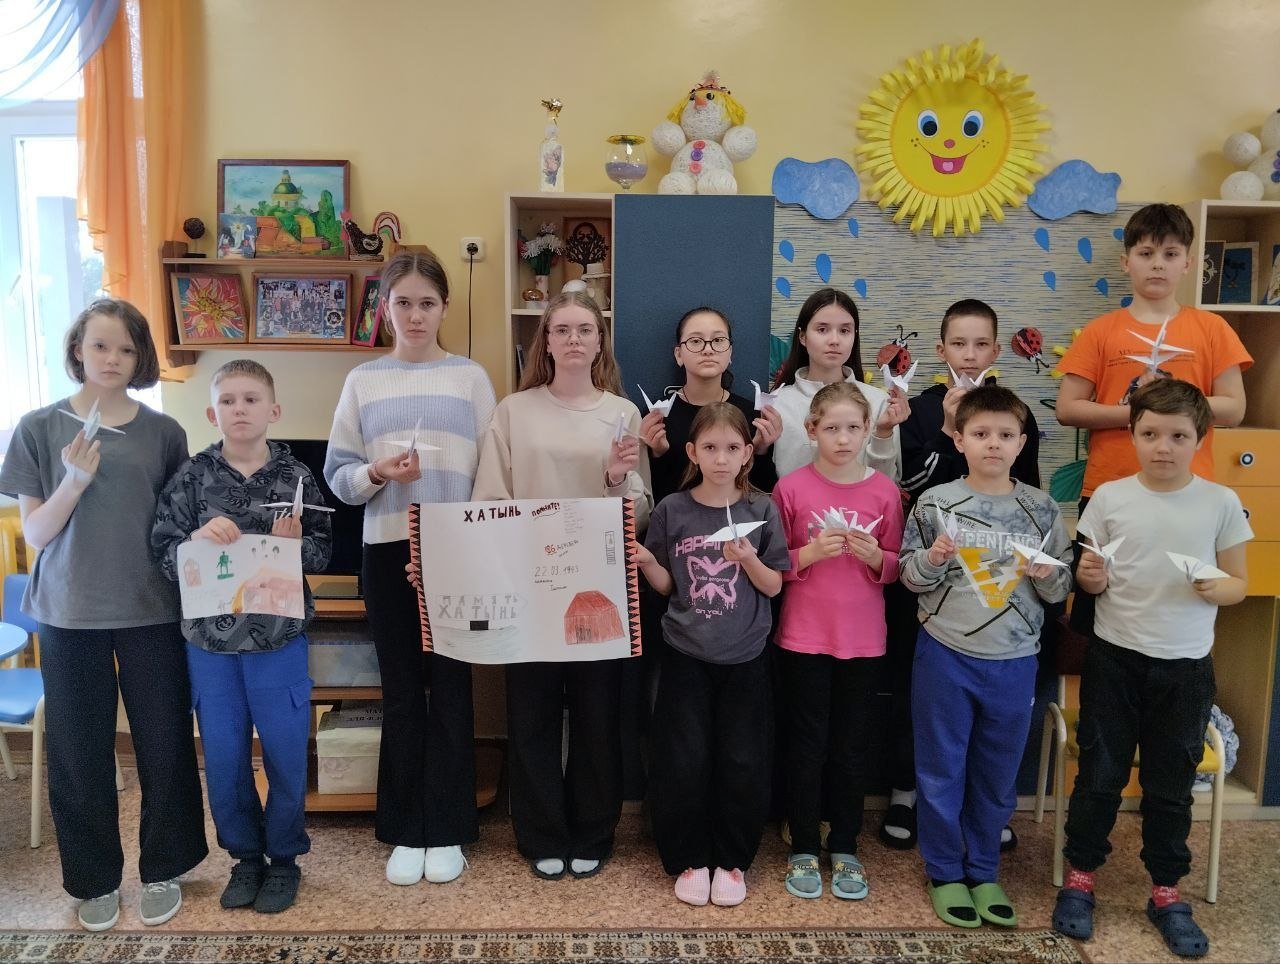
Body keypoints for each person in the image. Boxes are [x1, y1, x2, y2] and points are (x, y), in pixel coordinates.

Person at [0, 298, 207, 931]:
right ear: (77, 350)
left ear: (140, 356)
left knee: (165, 743)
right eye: (99, 346)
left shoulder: (164, 433)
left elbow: (180, 526)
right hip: (68, 614)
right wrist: (73, 481)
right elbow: (37, 533)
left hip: (151, 609)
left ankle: (164, 867)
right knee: (77, 752)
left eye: (125, 348)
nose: (112, 358)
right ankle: (94, 880)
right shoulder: (38, 428)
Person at [1052, 380, 1251, 959]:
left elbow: (1240, 583)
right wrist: (1088, 578)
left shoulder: (1220, 502)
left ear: (1200, 439)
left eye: (1178, 436)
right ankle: (1080, 878)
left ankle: (1166, 891)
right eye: (1150, 434)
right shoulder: (1109, 498)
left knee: (1171, 785)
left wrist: (1220, 587)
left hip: (1186, 669)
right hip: (1114, 659)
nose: (1163, 447)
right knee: (1099, 775)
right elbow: (1089, 578)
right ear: (1132, 434)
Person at [325, 249, 496, 887]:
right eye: (404, 303)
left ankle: (447, 827)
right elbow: (339, 477)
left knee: (451, 687)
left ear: (445, 307)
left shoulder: (471, 378)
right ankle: (404, 828)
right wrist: (376, 471)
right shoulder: (363, 380)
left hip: (457, 548)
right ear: (386, 308)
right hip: (387, 547)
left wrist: (474, 543)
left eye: (427, 303)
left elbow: (492, 472)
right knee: (400, 689)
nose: (416, 315)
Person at [472, 291, 650, 882]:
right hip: (531, 585)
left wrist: (616, 479)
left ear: (600, 342)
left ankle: (594, 830)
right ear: (545, 342)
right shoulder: (513, 412)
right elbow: (490, 499)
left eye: (585, 330)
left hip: (601, 587)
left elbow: (640, 511)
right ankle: (542, 832)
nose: (574, 339)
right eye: (562, 329)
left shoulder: (623, 413)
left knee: (599, 715)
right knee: (532, 713)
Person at [151, 360, 331, 914]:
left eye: (251, 399)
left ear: (273, 410)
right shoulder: (191, 477)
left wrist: (296, 545)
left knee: (284, 755)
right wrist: (197, 540)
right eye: (227, 401)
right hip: (211, 647)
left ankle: (284, 858)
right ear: (212, 414)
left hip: (279, 641)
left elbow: (321, 553)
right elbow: (163, 554)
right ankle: (245, 857)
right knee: (226, 758)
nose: (240, 409)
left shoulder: (296, 477)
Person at [899, 385, 1071, 930]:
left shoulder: (1041, 508)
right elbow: (909, 577)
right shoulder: (935, 503)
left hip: (1015, 659)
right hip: (944, 653)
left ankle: (983, 869)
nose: (992, 444)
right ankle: (945, 871)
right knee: (940, 768)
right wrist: (933, 558)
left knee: (997, 772)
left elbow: (1060, 587)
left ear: (1021, 443)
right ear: (959, 440)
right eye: (980, 434)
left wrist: (1047, 575)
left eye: (1004, 435)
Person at [882, 299, 1041, 851]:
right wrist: (948, 428)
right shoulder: (921, 408)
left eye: (979, 345)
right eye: (958, 344)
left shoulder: (1014, 412)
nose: (969, 355)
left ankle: (982, 805)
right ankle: (906, 791)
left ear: (995, 351)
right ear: (940, 348)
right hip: (931, 569)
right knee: (920, 688)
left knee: (989, 709)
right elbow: (909, 487)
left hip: (993, 578)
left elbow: (1029, 495)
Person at [1055, 203, 1250, 633]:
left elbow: (1234, 407)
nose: (1158, 264)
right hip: (1108, 490)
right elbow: (1068, 408)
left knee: (1179, 598)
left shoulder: (1212, 329)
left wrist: (1172, 407)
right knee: (1094, 606)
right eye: (1146, 253)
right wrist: (1137, 412)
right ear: (1126, 261)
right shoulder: (1101, 331)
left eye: (1170, 254)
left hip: (1189, 494)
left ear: (1188, 263)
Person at [633, 403, 789, 907]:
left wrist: (748, 560)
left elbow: (774, 585)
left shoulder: (762, 509)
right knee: (684, 759)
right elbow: (667, 586)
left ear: (747, 454)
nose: (721, 458)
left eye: (732, 448)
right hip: (685, 654)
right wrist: (647, 560)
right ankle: (689, 858)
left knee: (742, 761)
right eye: (710, 448)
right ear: (692, 452)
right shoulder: (672, 510)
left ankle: (734, 860)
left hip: (746, 657)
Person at [770, 383, 903, 901]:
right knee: (805, 745)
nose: (843, 438)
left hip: (864, 641)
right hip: (803, 637)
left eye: (853, 428)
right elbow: (772, 567)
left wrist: (875, 558)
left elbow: (897, 565)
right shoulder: (791, 489)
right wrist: (808, 554)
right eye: (831, 428)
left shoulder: (884, 491)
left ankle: (845, 845)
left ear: (868, 430)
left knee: (851, 748)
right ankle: (804, 844)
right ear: (812, 431)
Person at [638, 306, 780, 504]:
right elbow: (648, 499)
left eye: (718, 340)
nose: (708, 349)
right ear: (678, 354)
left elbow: (765, 497)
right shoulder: (658, 417)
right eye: (696, 341)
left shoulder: (753, 416)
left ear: (730, 352)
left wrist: (760, 450)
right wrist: (659, 454)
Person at [770, 287, 908, 481]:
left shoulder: (879, 402)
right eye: (822, 329)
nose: (834, 340)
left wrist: (882, 434)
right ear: (802, 336)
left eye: (844, 331)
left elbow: (887, 485)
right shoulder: (777, 402)